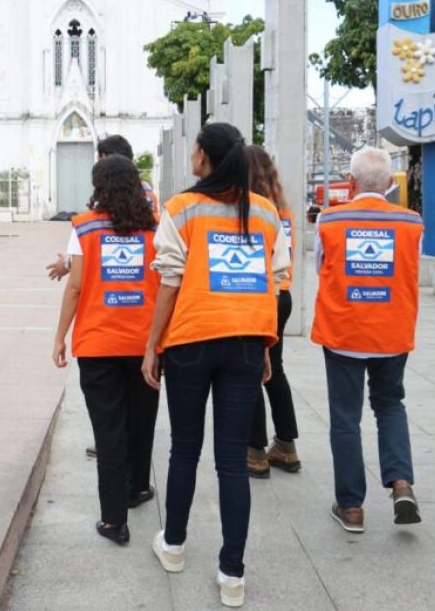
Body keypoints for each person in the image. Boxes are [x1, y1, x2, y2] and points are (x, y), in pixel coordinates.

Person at [141, 123, 290, 609]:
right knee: (232, 462)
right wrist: (265, 346)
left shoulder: (182, 208)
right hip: (246, 343)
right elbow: (271, 283)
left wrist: (152, 345)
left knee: (184, 450)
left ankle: (176, 545)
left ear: (203, 156)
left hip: (191, 341)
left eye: (194, 147)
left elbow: (169, 280)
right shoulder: (266, 213)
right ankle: (232, 574)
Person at [311, 146, 423, 535]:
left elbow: (320, 268)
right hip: (392, 333)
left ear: (352, 182)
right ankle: (401, 483)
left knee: (346, 417)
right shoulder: (412, 223)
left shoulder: (329, 219)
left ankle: (352, 507)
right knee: (390, 404)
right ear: (390, 185)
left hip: (343, 332)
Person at [52, 156, 161, 545]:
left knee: (109, 430)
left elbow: (76, 288)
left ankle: (114, 520)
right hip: (145, 343)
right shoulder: (155, 228)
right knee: (141, 420)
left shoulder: (83, 228)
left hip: (98, 344)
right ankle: (136, 489)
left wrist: (60, 336)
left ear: (98, 186)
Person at [245, 145, 301, 479]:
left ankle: (254, 453)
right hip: (284, 296)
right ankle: (285, 446)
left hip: (258, 296)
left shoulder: (250, 214)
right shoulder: (283, 213)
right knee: (274, 369)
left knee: (250, 369)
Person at [46, 135, 159, 282]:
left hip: (111, 281)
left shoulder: (107, 198)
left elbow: (100, 245)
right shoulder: (149, 194)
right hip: (143, 280)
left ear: (106, 159)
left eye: (99, 159)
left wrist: (69, 263)